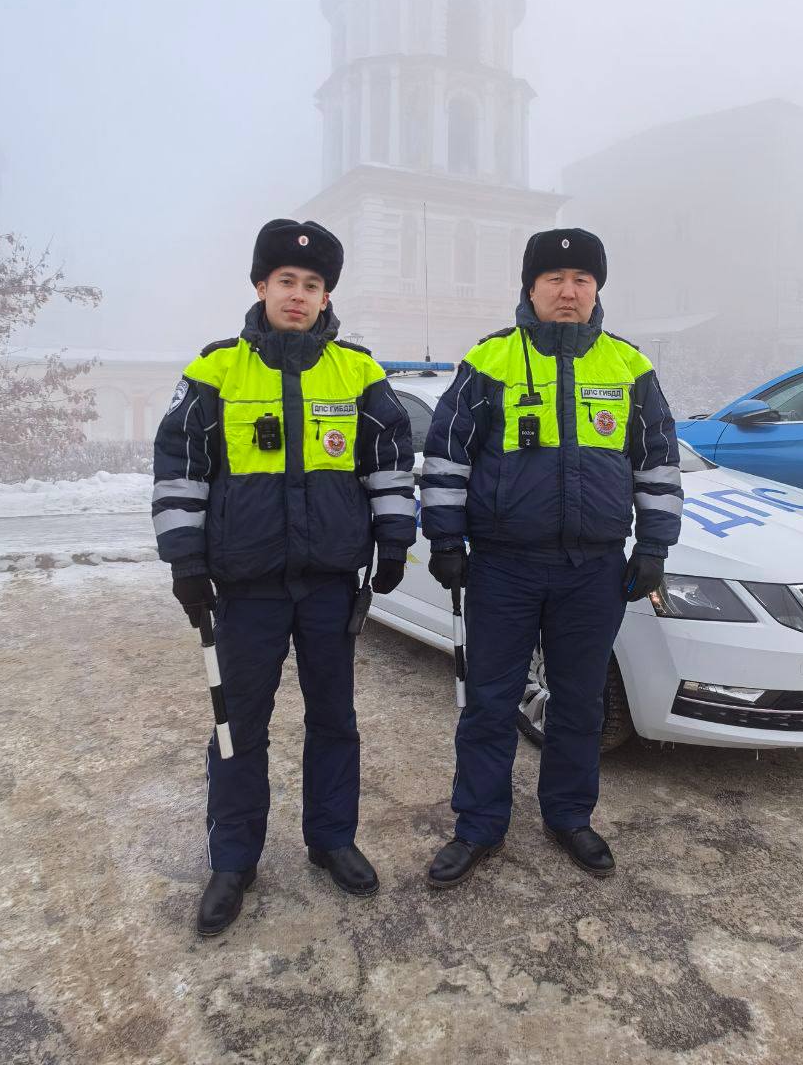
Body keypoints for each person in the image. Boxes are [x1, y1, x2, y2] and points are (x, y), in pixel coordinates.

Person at [152, 218, 415, 934]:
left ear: (327, 295)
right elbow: (179, 471)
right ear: (261, 286)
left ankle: (331, 840)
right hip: (248, 585)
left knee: (334, 719)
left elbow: (390, 463)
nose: (298, 295)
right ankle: (233, 860)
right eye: (286, 282)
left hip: (330, 583)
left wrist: (394, 541)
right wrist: (186, 561)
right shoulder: (217, 370)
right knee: (239, 725)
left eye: (312, 285)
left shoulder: (358, 372)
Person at [419, 227, 682, 888]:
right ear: (530, 288)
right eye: (554, 279)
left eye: (581, 280)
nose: (569, 291)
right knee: (489, 702)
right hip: (503, 567)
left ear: (596, 290)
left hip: (591, 569)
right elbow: (446, 457)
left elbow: (657, 463)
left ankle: (569, 816)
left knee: (580, 703)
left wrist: (654, 547)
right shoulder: (490, 361)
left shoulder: (629, 368)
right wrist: (446, 541)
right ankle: (478, 826)